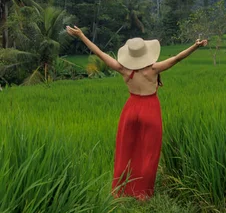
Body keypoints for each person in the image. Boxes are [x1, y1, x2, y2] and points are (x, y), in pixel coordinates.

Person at [65, 25, 207, 199]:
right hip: (150, 109)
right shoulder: (153, 69)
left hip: (131, 109)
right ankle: (143, 194)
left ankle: (120, 191)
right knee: (149, 151)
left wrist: (81, 35)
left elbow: (100, 54)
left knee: (126, 149)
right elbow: (177, 58)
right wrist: (196, 46)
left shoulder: (123, 69)